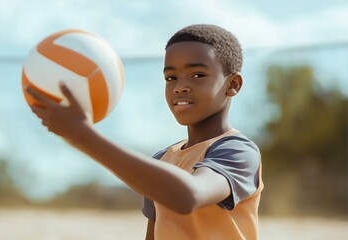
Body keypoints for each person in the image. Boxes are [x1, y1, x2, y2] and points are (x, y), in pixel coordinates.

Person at [25, 24, 263, 240]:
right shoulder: (162, 160)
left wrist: (83, 136)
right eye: (171, 77)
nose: (180, 87)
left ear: (233, 85)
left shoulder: (237, 151)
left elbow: (187, 196)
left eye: (197, 75)